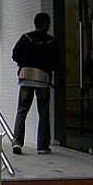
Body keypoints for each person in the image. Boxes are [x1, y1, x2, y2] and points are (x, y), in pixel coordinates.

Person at [11, 12, 58, 155]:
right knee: (43, 113)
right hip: (43, 79)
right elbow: (56, 62)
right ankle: (43, 146)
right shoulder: (51, 41)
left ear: (35, 23)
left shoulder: (25, 38)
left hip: (26, 77)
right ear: (46, 24)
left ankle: (17, 143)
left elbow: (15, 54)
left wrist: (23, 64)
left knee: (22, 110)